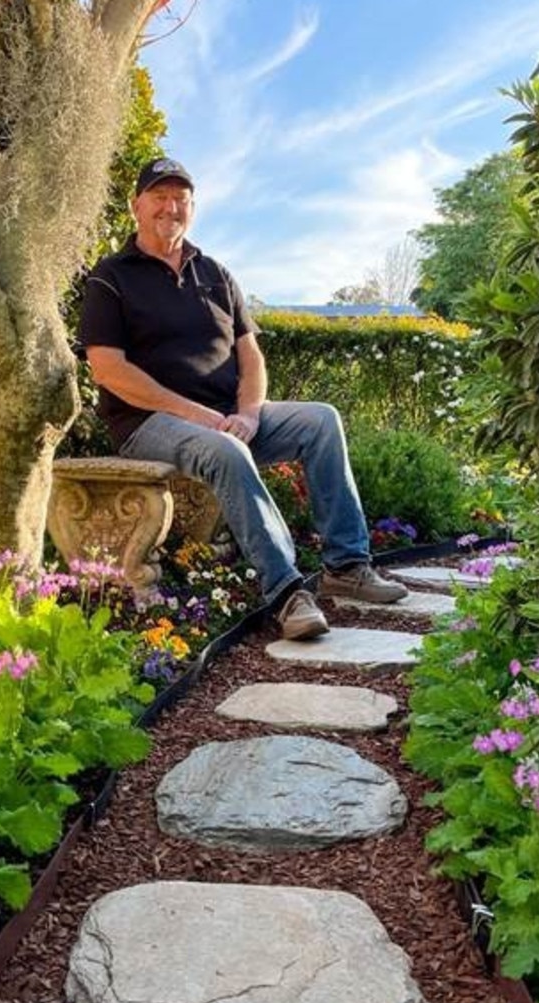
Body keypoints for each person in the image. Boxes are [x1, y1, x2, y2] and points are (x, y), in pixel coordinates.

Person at [78, 156, 408, 640]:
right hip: (149, 424)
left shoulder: (215, 273)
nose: (170, 208)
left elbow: (250, 356)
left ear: (191, 208)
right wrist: (204, 417)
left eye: (181, 200)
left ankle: (347, 565)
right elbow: (109, 369)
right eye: (159, 197)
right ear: (135, 206)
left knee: (321, 421)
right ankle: (286, 592)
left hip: (226, 420)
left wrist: (249, 413)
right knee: (227, 448)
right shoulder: (111, 277)